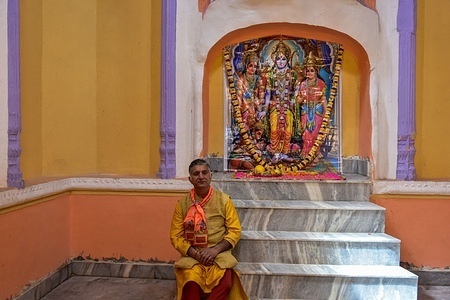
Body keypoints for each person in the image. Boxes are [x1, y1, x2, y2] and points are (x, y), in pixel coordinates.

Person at [170, 159, 248, 300]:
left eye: (204, 172)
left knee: (225, 284)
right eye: (196, 174)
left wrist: (214, 250)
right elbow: (175, 236)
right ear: (190, 179)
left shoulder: (224, 201)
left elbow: (234, 231)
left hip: (219, 255)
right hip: (193, 256)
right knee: (190, 282)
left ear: (210, 175)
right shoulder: (182, 204)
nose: (201, 176)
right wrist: (195, 254)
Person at [263, 39, 298, 155]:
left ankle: (285, 153)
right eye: (278, 59)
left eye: (284, 58)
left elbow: (297, 90)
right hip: (274, 106)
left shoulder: (292, 74)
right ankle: (274, 152)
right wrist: (265, 109)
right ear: (274, 60)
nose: (281, 62)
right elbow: (268, 93)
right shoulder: (271, 74)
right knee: (274, 130)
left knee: (288, 131)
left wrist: (293, 101)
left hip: (288, 106)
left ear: (288, 59)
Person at [296, 52, 327, 164]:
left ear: (316, 71)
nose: (309, 72)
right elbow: (299, 99)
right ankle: (305, 153)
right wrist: (297, 97)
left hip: (317, 111)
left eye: (312, 70)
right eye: (307, 70)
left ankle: (315, 153)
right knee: (306, 133)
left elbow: (323, 98)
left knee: (315, 133)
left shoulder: (321, 83)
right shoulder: (302, 84)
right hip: (305, 110)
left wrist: (326, 112)